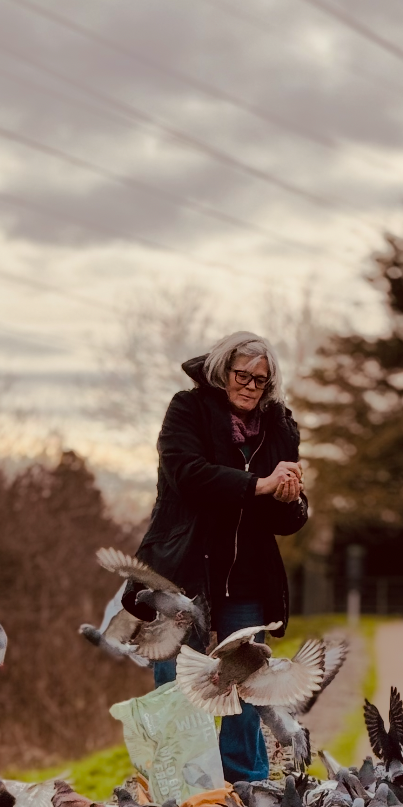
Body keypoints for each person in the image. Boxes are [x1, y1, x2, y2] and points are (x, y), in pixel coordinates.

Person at [126, 331, 308, 783]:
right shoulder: (188, 409)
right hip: (182, 567)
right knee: (176, 678)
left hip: (247, 575)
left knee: (245, 679)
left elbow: (284, 521)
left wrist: (290, 500)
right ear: (221, 370)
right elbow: (188, 475)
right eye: (241, 375)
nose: (250, 386)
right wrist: (260, 484)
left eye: (260, 380)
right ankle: (177, 781)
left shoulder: (280, 425)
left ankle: (246, 784)